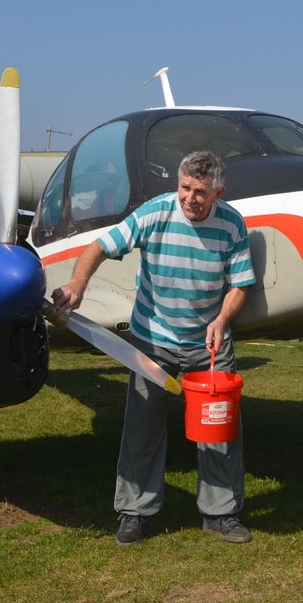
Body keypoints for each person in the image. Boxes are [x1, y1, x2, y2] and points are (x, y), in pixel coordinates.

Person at [52, 150, 257, 546]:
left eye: (200, 191)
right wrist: (77, 284)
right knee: (142, 428)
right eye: (184, 188)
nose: (190, 198)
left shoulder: (232, 224)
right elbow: (98, 247)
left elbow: (240, 284)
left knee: (220, 430)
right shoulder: (155, 213)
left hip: (208, 343)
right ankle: (135, 513)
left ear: (218, 193)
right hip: (152, 339)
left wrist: (221, 321)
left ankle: (221, 514)